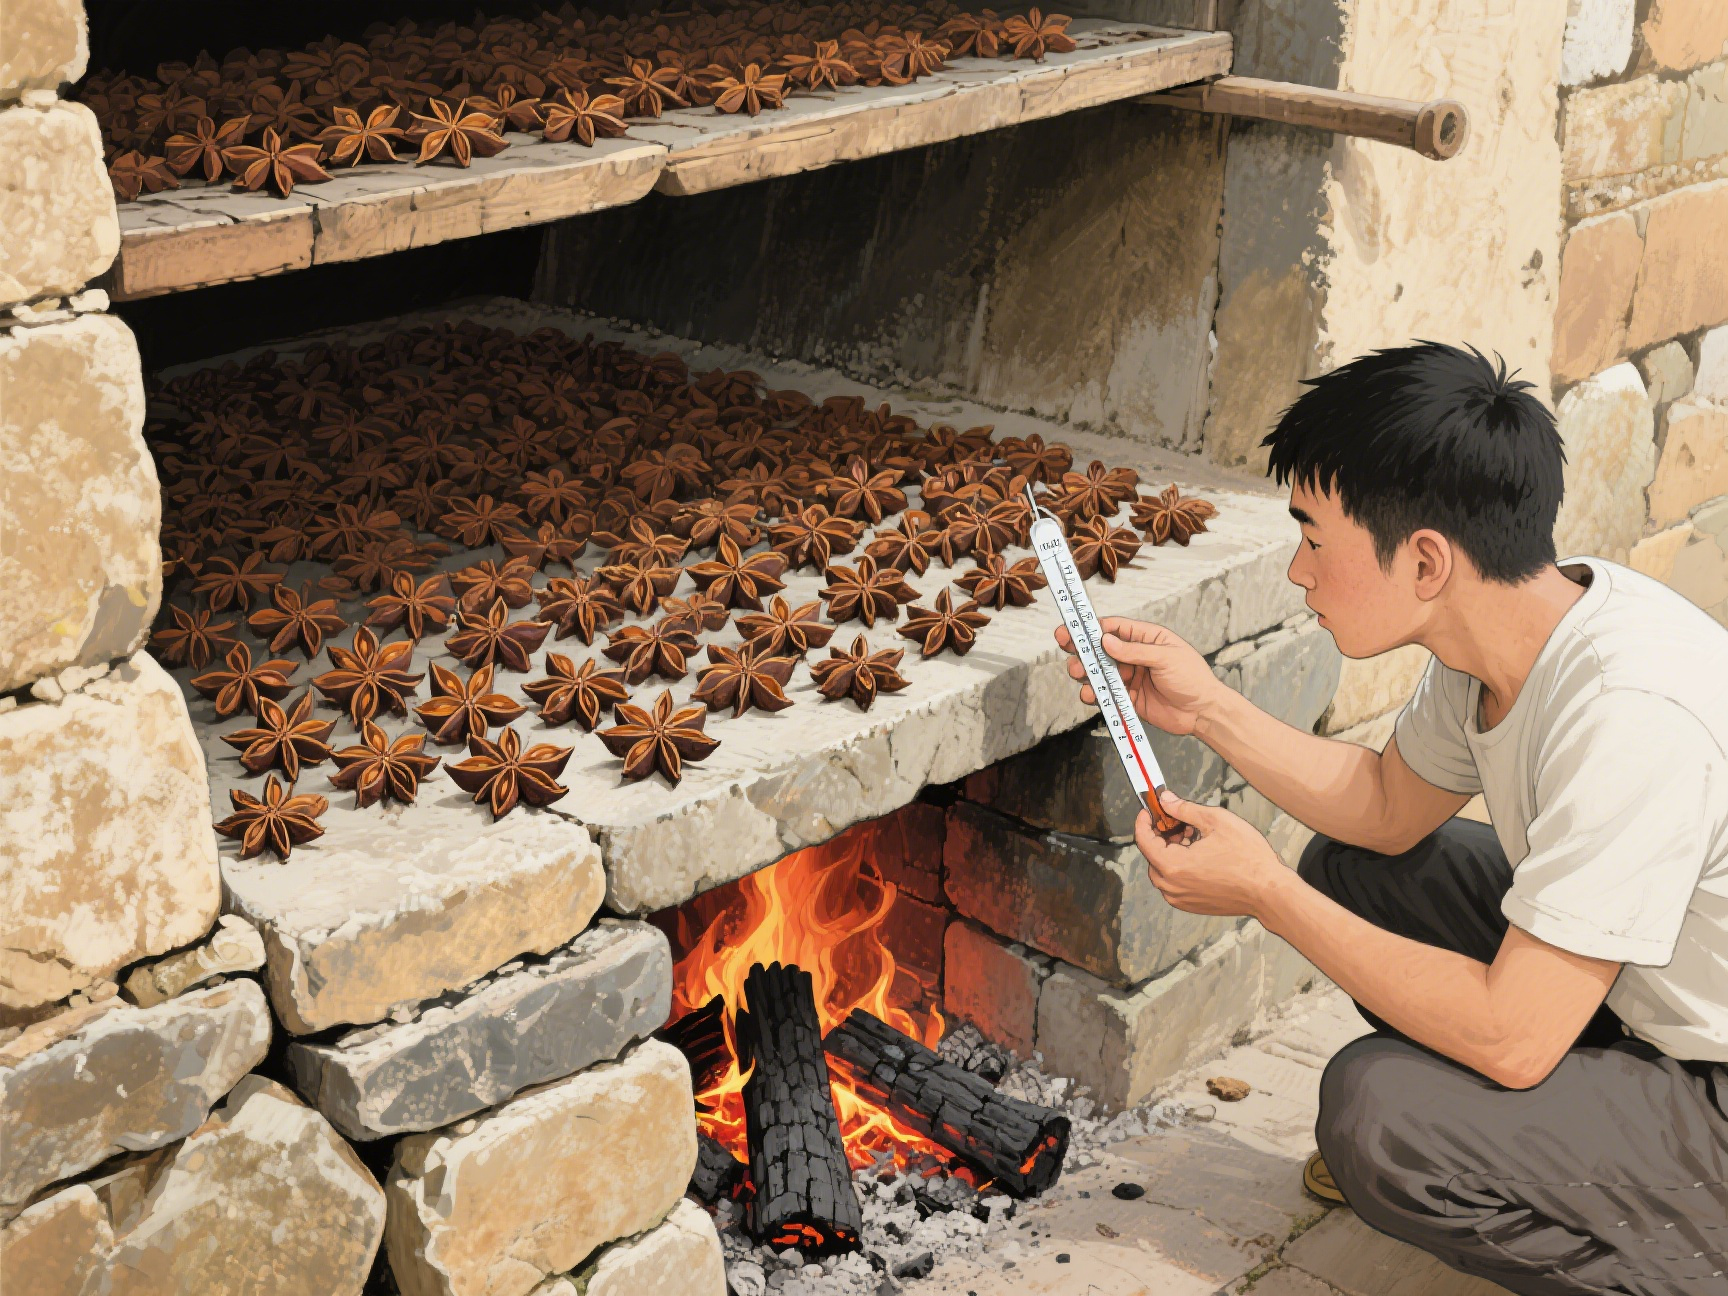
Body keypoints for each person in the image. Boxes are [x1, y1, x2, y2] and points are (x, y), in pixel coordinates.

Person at [1056, 341, 1728, 1295]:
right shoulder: (1509, 630)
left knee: (1380, 1119)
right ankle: (1565, 1137)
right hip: (1650, 1001)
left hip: (1716, 1090)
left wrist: (1264, 894)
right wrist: (1204, 704)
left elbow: (1513, 1037)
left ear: (1423, 561)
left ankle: (1680, 1251)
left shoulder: (1632, 714)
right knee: (1363, 872)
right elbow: (1384, 808)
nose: (1298, 571)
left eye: (1313, 539)